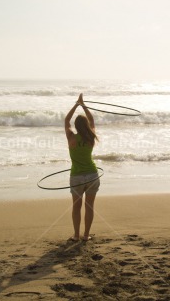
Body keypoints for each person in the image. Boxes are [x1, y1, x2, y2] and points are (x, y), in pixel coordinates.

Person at [65, 93, 100, 241]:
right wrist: (83, 105)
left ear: (76, 126)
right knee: (89, 207)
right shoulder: (91, 137)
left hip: (77, 177)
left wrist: (76, 104)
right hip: (92, 175)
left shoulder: (71, 137)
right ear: (86, 126)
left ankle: (76, 235)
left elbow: (67, 120)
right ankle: (86, 235)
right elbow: (91, 119)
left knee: (76, 207)